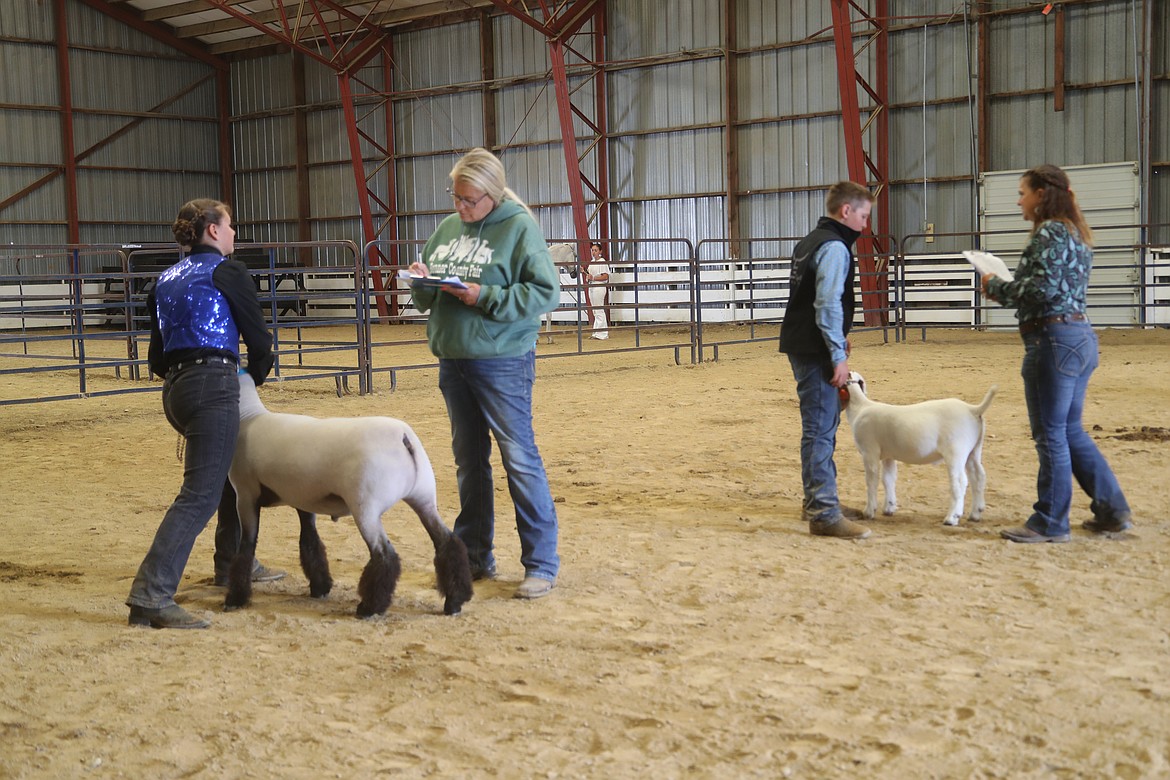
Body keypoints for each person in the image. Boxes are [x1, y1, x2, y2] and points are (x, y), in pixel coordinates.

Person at [408, 147, 562, 600]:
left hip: (502, 360)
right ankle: (474, 555)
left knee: (519, 457)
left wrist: (486, 296)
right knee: (468, 462)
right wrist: (423, 280)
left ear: (491, 194)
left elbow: (545, 292)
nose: (461, 207)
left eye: (469, 200)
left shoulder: (518, 228)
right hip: (453, 358)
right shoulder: (447, 229)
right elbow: (427, 298)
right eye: (456, 198)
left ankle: (540, 562)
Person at [125, 198, 276, 629]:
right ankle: (151, 593)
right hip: (214, 385)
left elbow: (156, 356)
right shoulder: (229, 271)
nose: (234, 235)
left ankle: (232, 563)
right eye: (230, 227)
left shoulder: (167, 277)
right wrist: (253, 376)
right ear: (213, 230)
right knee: (200, 494)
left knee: (223, 473)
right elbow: (260, 340)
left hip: (177, 387)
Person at [982, 164, 1132, 543]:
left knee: (1050, 434)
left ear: (1041, 194)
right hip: (1078, 335)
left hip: (1051, 339)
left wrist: (996, 286)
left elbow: (1041, 290)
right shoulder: (1075, 233)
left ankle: (1050, 520)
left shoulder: (1049, 231)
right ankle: (1112, 510)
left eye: (1022, 193)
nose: (1019, 200)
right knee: (1069, 431)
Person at [779, 180, 875, 539]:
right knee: (820, 429)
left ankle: (818, 500)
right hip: (816, 348)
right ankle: (823, 511)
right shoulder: (834, 247)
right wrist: (837, 355)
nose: (865, 225)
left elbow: (812, 299)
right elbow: (826, 303)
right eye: (863, 216)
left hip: (803, 342)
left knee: (820, 425)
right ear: (846, 211)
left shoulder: (810, 241)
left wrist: (839, 334)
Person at [585, 241, 610, 339]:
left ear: (600, 251)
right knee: (596, 311)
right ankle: (597, 332)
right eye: (592, 250)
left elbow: (605, 276)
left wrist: (593, 278)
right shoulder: (592, 263)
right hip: (593, 287)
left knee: (599, 310)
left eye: (595, 250)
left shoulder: (602, 262)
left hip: (599, 287)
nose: (593, 252)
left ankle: (602, 333)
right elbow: (591, 276)